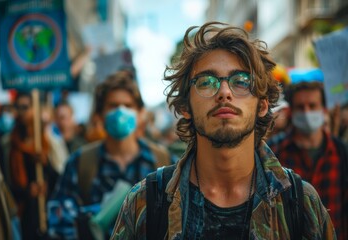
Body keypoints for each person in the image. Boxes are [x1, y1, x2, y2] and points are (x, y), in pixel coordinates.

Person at [111, 22, 336, 239]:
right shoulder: (146, 203)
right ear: (185, 107)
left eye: (241, 81)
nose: (225, 92)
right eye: (206, 82)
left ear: (263, 105)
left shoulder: (299, 203)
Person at [48, 71, 177, 239]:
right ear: (99, 115)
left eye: (128, 105)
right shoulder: (79, 163)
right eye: (113, 105)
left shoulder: (164, 162)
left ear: (140, 114)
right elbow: (59, 221)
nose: (120, 111)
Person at [267, 81, 347, 240]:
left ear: (323, 109)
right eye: (300, 107)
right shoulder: (273, 151)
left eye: (312, 106)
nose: (306, 112)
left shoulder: (341, 151)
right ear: (291, 111)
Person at [9, 92, 59, 240]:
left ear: (35, 109)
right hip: (21, 215)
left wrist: (46, 165)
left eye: (25, 107)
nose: (21, 112)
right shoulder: (9, 144)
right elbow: (4, 184)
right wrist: (26, 191)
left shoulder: (49, 142)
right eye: (17, 107)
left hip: (45, 214)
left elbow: (60, 178)